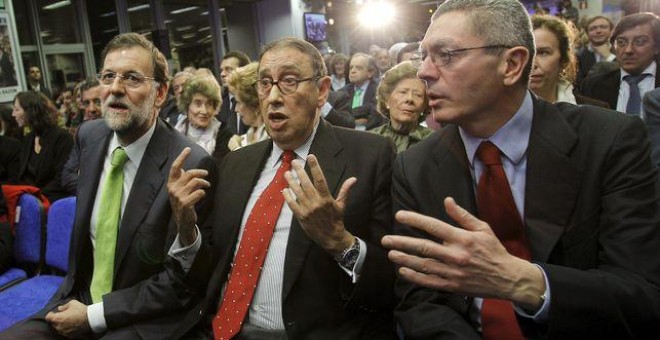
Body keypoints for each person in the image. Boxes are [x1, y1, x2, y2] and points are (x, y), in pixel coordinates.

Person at [381, 0, 660, 338]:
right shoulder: (415, 166)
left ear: (512, 64)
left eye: (447, 55)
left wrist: (525, 282)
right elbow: (419, 302)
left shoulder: (609, 140)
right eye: (422, 57)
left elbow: (642, 297)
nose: (424, 72)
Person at [167, 37, 397, 339]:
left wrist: (340, 242)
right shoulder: (236, 163)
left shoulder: (371, 156)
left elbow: (394, 283)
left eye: (289, 81)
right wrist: (187, 229)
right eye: (265, 83)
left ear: (322, 90)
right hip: (216, 329)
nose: (273, 96)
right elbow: (208, 268)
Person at [0, 32, 216, 339]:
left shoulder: (190, 163)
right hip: (78, 298)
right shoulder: (90, 135)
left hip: (142, 316)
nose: (115, 88)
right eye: (108, 76)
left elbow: (182, 283)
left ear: (159, 93)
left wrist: (93, 316)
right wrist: (80, 306)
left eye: (131, 78)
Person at [581, 12, 660, 115]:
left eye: (639, 41)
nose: (628, 50)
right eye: (621, 42)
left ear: (657, 47)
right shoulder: (592, 86)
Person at [11, 91, 73, 203]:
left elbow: (63, 177)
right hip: (34, 202)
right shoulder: (28, 139)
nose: (13, 114)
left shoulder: (62, 137)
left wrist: (39, 197)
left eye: (16, 109)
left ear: (29, 111)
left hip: (57, 201)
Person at [370, 61, 432, 152]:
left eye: (418, 95)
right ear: (386, 100)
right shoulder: (370, 139)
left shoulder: (434, 142)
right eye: (403, 92)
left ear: (424, 106)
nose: (410, 99)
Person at [175, 74, 233, 166]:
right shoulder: (175, 132)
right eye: (198, 104)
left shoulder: (223, 133)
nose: (204, 111)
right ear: (187, 105)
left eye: (209, 104)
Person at [530, 14, 578, 103]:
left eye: (543, 53)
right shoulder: (497, 111)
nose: (532, 64)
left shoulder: (590, 112)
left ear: (564, 60)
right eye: (525, 53)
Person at [227, 62, 269, 151]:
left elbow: (255, 164)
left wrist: (237, 150)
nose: (235, 109)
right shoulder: (246, 137)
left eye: (238, 103)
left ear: (255, 105)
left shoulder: (273, 136)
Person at [575, 16, 615, 86]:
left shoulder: (621, 52)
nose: (598, 31)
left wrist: (609, 56)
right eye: (593, 28)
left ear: (611, 31)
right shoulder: (578, 56)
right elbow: (579, 86)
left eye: (603, 27)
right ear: (587, 33)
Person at [218, 51, 251, 135]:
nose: (222, 74)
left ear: (244, 71)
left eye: (228, 69)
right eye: (221, 70)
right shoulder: (218, 102)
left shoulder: (254, 99)